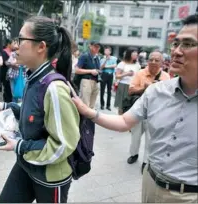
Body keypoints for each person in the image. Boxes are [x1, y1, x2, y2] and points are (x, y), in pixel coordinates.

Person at [72, 14, 198, 203]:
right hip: (150, 184)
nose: (177, 51)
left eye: (188, 44)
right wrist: (88, 111)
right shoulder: (156, 91)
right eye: (176, 43)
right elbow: (124, 121)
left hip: (188, 195)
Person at [0, 16, 80, 203]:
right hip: (27, 163)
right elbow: (34, 113)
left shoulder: (54, 88)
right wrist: (3, 106)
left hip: (50, 175)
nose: (15, 46)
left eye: (20, 39)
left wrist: (18, 146)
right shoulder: (33, 76)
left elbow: (64, 144)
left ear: (41, 47)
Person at [127, 51, 170, 174]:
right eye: (151, 59)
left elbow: (170, 96)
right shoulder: (140, 73)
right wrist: (144, 88)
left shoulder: (166, 77)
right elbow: (130, 91)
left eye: (157, 60)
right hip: (139, 112)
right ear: (147, 61)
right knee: (135, 136)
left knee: (150, 139)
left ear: (162, 62)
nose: (153, 62)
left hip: (156, 113)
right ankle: (134, 154)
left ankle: (146, 161)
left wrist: (158, 88)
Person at [75, 41, 101, 109]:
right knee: (85, 104)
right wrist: (91, 71)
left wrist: (98, 71)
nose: (97, 48)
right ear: (90, 46)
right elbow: (77, 70)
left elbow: (98, 69)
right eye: (95, 46)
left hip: (96, 81)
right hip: (87, 81)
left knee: (92, 105)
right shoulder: (84, 56)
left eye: (98, 47)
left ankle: (89, 119)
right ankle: (83, 119)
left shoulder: (97, 58)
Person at [114, 47, 140, 115]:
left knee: (131, 106)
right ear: (129, 54)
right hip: (123, 86)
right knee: (121, 106)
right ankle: (120, 121)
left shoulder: (137, 65)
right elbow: (117, 76)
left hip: (133, 87)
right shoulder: (122, 64)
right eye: (134, 54)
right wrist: (127, 74)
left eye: (136, 55)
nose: (136, 56)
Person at [100, 46, 117, 110]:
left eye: (107, 50)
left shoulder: (114, 58)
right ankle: (102, 104)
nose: (106, 52)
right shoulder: (102, 59)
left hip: (110, 75)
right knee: (102, 90)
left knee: (109, 91)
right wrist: (105, 60)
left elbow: (114, 65)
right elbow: (101, 68)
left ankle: (108, 105)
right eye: (105, 51)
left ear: (110, 52)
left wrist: (106, 66)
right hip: (104, 75)